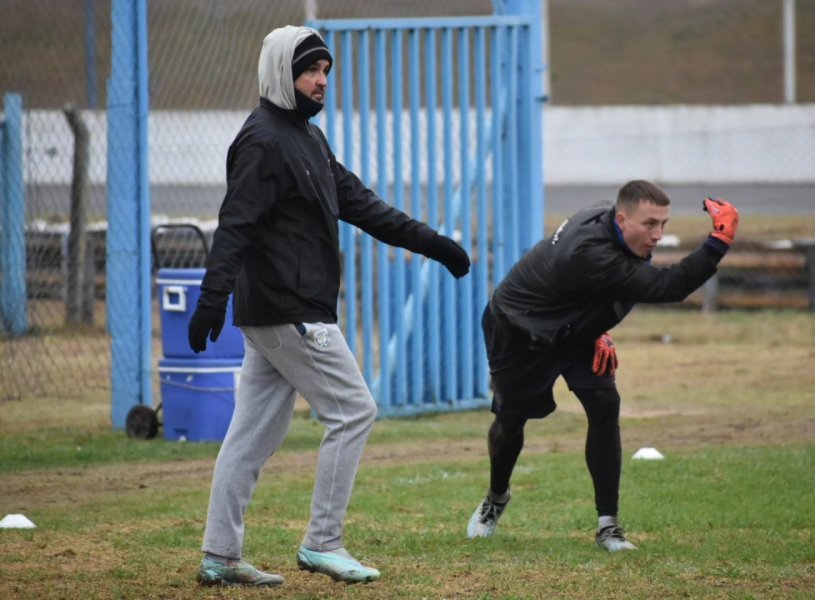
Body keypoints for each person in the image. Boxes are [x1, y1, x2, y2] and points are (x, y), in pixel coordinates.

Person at [188, 25, 471, 587]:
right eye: (309, 70)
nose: (320, 81)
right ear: (280, 73)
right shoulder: (263, 140)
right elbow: (235, 225)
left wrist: (434, 244)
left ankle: (220, 556)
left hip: (283, 309)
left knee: (251, 436)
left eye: (324, 71)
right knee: (354, 410)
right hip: (292, 309)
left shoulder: (307, 138)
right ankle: (323, 542)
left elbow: (362, 204)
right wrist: (210, 297)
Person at [465, 180, 738, 551]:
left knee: (605, 406)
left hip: (574, 330)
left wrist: (596, 329)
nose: (658, 235)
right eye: (650, 225)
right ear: (622, 219)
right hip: (518, 329)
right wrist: (718, 240)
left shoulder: (612, 223)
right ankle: (495, 500)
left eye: (663, 223)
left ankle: (608, 527)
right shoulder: (589, 252)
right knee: (510, 421)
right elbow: (666, 287)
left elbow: (600, 287)